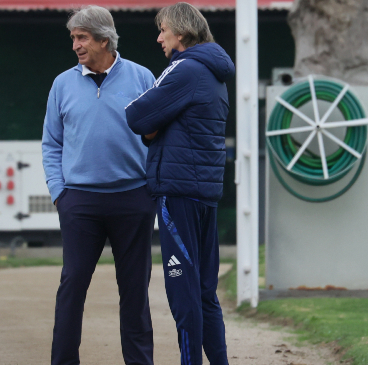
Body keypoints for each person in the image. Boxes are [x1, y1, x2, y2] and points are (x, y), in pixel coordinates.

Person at [42, 6, 157, 365]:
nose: (75, 44)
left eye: (83, 38)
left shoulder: (141, 78)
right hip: (80, 202)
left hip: (134, 200)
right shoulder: (62, 84)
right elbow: (51, 143)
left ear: (104, 40)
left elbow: (160, 135)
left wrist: (151, 188)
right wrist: (60, 193)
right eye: (73, 37)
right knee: (72, 287)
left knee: (135, 292)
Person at [125, 3, 235, 365]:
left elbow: (137, 114)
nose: (159, 38)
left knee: (182, 290)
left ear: (182, 34)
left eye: (163, 30)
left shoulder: (184, 69)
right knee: (205, 292)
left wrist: (154, 130)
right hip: (204, 194)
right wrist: (156, 129)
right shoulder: (214, 74)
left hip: (177, 194)